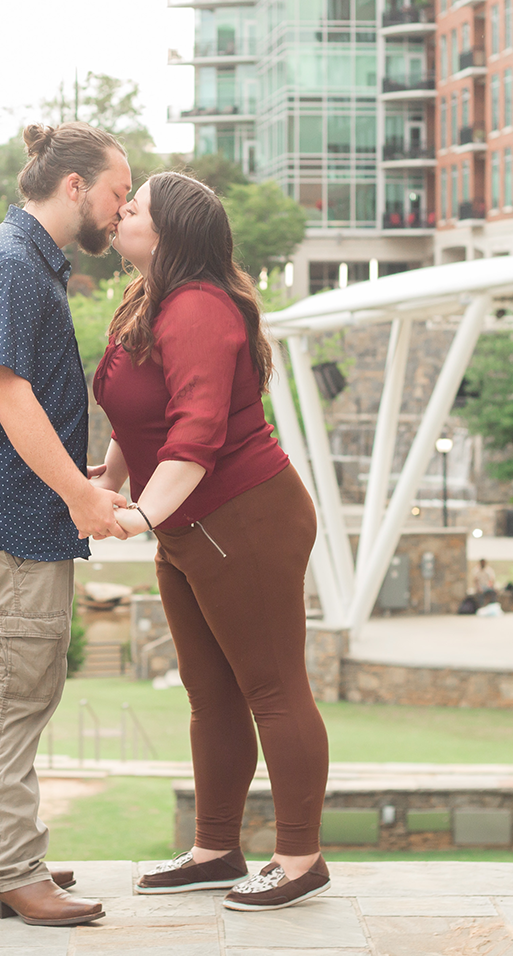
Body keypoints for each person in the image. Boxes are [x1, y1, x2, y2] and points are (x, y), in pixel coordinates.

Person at [90, 171, 332, 912]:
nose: (122, 210)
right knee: (210, 693)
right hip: (191, 523)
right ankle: (216, 850)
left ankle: (299, 859)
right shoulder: (146, 298)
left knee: (271, 687)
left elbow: (195, 433)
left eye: (136, 207)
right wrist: (112, 475)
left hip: (243, 517)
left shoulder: (197, 308)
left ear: (170, 233)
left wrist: (138, 516)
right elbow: (141, 413)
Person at [0, 122, 131, 928]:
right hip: (7, 516)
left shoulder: (17, 261)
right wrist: (80, 495)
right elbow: (9, 395)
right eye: (117, 192)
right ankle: (10, 866)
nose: (121, 210)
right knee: (13, 688)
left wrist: (82, 483)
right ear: (74, 187)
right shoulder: (12, 265)